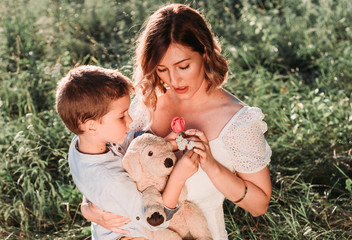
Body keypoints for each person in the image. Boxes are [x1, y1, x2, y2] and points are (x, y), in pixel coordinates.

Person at [81, 4, 272, 239]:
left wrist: (213, 167)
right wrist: (88, 207)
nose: (174, 80)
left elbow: (259, 205)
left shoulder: (238, 122)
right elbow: (104, 154)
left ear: (205, 52)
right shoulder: (148, 102)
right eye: (162, 69)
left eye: (183, 66)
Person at [56, 65, 190, 239]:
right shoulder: (112, 181)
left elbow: (129, 143)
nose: (130, 120)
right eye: (122, 116)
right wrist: (179, 177)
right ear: (91, 126)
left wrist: (163, 144)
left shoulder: (82, 141)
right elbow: (157, 220)